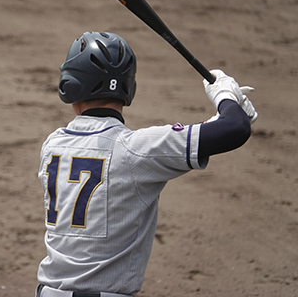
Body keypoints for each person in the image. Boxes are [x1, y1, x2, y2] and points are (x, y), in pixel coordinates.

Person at [35, 31, 257, 297]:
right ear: (129, 89)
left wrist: (227, 115)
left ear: (69, 85)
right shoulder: (138, 150)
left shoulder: (52, 146)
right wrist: (226, 96)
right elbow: (234, 128)